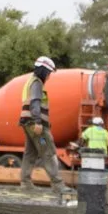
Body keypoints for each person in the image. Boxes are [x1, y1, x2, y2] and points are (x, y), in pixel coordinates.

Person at [17, 57, 67, 202]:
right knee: (47, 151)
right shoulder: (37, 83)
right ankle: (58, 185)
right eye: (49, 72)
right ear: (43, 70)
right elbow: (35, 103)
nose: (49, 76)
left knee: (30, 153)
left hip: (28, 124)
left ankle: (25, 182)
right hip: (36, 125)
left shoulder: (30, 82)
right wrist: (38, 122)